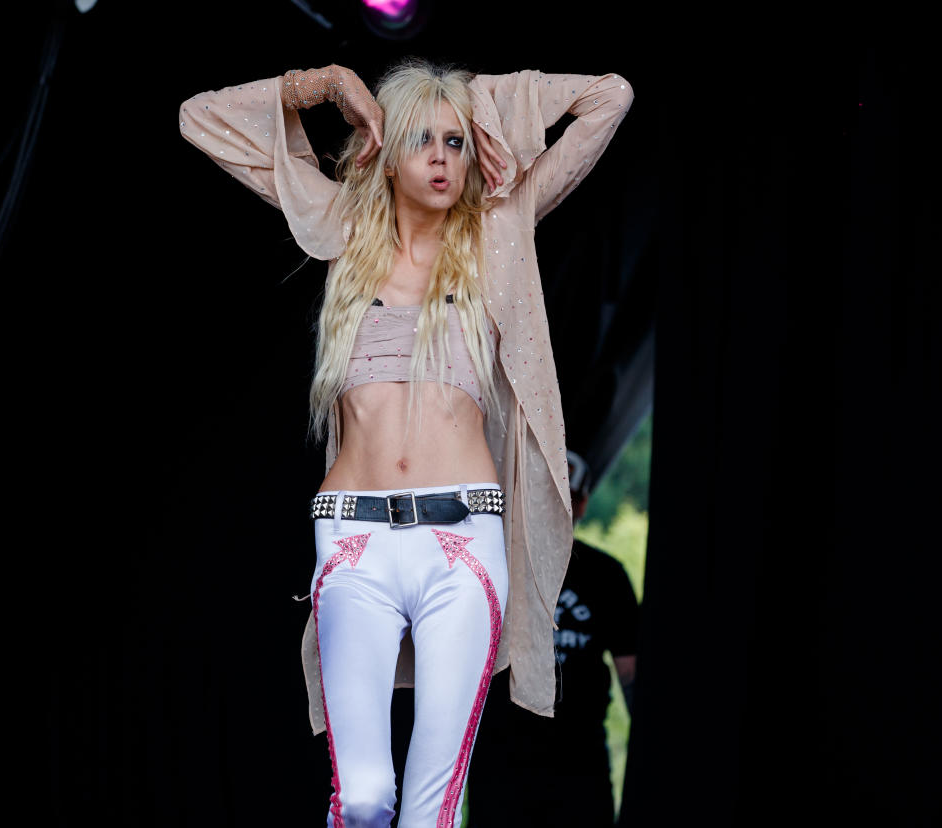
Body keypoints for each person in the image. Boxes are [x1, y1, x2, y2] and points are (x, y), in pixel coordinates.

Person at [179, 58, 632, 827]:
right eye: (421, 137)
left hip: (463, 538)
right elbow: (199, 118)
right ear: (384, 150)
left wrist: (477, 104)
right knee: (363, 798)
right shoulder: (343, 227)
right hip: (355, 537)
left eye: (455, 142)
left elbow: (609, 97)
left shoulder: (499, 231)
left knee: (431, 809)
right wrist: (322, 85)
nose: (441, 156)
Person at [468, 449, 641, 825]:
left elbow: (630, 670)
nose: (554, 509)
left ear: (581, 505)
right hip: (501, 758)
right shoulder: (493, 564)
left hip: (580, 762)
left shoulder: (606, 575)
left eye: (566, 499)